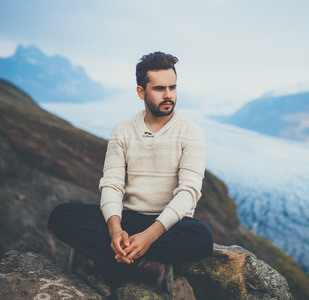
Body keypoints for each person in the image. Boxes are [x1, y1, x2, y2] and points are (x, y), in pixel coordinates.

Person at [48, 51, 213, 293]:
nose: (168, 95)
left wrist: (149, 237)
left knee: (202, 239)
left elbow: (188, 192)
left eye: (172, 87)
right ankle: (142, 265)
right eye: (159, 89)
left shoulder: (191, 132)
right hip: (128, 218)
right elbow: (112, 185)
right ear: (141, 92)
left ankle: (105, 260)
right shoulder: (123, 130)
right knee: (60, 216)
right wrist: (115, 230)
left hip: (170, 224)